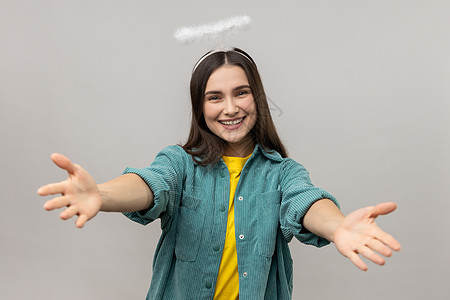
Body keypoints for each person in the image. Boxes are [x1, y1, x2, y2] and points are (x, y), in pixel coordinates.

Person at [38, 48, 401, 300]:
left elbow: (304, 201)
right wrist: (101, 195)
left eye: (240, 93)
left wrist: (337, 226)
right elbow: (151, 184)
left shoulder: (282, 172)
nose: (230, 108)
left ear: (256, 97)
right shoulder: (179, 163)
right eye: (215, 97)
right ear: (200, 107)